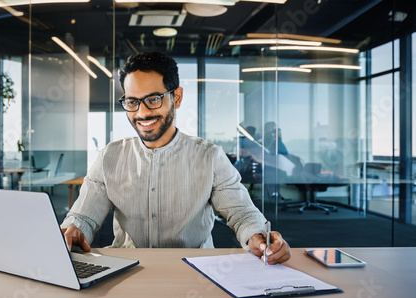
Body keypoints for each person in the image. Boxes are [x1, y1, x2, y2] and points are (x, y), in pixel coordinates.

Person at [61, 52, 291, 264]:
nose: (141, 113)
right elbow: (83, 217)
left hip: (196, 271)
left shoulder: (210, 157)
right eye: (132, 102)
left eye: (153, 99)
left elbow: (242, 214)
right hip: (126, 269)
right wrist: (74, 229)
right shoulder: (109, 157)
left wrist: (258, 236)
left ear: (177, 97)